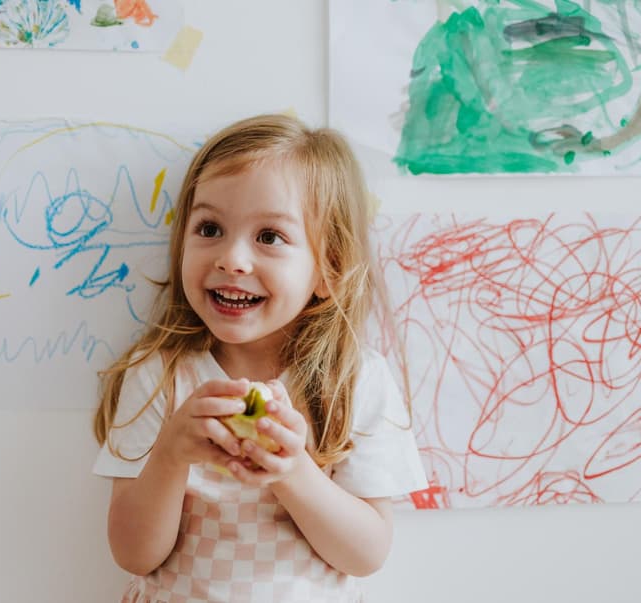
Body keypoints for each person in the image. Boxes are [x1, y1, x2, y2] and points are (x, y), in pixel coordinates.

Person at [91, 113, 427, 602]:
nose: (231, 259)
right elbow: (133, 554)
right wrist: (170, 455)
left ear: (327, 269)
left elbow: (366, 555)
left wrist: (293, 472)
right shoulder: (159, 375)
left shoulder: (354, 380)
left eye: (269, 237)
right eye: (209, 228)